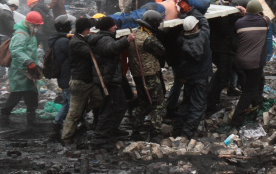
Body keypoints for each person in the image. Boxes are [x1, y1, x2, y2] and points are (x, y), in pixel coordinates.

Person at [88, 16, 135, 148]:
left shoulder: (103, 37)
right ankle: (99, 138)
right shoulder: (104, 39)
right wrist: (127, 40)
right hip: (108, 79)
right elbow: (111, 49)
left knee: (119, 106)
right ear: (108, 27)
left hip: (111, 78)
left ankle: (111, 130)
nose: (116, 27)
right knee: (109, 109)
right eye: (113, 25)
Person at [0, 11, 45, 128]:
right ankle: (4, 114)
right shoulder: (21, 35)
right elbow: (16, 51)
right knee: (17, 94)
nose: (38, 28)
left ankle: (31, 119)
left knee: (31, 94)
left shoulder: (29, 34)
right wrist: (28, 62)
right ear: (30, 24)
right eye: (36, 25)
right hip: (20, 71)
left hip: (28, 70)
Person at [61, 17, 103, 141]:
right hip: (79, 81)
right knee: (74, 113)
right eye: (88, 29)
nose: (89, 31)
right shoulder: (77, 43)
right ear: (84, 29)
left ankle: (83, 109)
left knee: (99, 99)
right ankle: (66, 137)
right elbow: (91, 54)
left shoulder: (79, 39)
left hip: (87, 80)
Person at [128, 10, 167, 141]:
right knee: (158, 104)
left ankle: (135, 129)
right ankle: (155, 132)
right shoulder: (149, 39)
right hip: (149, 74)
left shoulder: (134, 33)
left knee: (143, 103)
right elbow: (161, 51)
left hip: (137, 74)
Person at [229, 0, 269, 127]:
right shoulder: (265, 21)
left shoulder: (239, 23)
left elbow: (234, 42)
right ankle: (237, 118)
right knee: (249, 90)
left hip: (241, 60)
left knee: (259, 79)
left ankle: (257, 102)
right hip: (256, 61)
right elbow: (265, 16)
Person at [172, 13, 212, 139]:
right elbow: (205, 22)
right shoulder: (204, 36)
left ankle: (177, 130)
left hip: (188, 78)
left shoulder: (180, 40)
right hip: (201, 77)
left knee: (186, 103)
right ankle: (187, 134)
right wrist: (192, 10)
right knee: (198, 105)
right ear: (196, 26)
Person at [49, 15, 74, 141]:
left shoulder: (58, 40)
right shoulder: (64, 42)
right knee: (71, 104)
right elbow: (74, 55)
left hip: (63, 77)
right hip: (67, 76)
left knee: (66, 103)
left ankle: (56, 126)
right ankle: (69, 131)